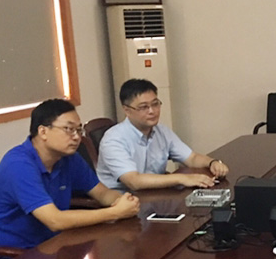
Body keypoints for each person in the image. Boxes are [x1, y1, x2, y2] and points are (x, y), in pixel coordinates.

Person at [0, 99, 140, 259]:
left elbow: (102, 193)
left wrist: (124, 201)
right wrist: (115, 212)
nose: (76, 137)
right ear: (43, 132)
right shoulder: (18, 165)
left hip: (52, 247)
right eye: (69, 129)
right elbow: (54, 221)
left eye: (79, 130)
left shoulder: (68, 158)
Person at [96, 78, 229, 190]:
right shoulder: (113, 139)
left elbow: (192, 158)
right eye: (143, 107)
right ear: (127, 110)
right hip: (121, 201)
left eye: (155, 104)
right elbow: (134, 181)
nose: (152, 111)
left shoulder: (161, 131)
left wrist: (212, 163)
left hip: (154, 195)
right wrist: (182, 178)